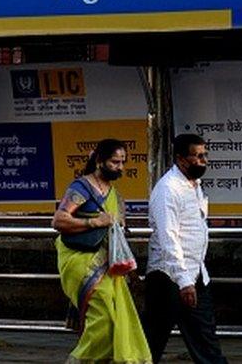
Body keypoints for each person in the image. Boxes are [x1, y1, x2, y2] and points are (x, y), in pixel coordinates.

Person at [52, 139, 152, 364]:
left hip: (110, 265)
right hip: (80, 262)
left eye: (123, 162)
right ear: (99, 161)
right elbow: (58, 220)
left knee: (115, 319)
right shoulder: (81, 187)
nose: (120, 167)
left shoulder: (116, 196)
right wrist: (95, 222)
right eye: (115, 162)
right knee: (105, 319)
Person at [145, 134, 227, 364]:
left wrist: (192, 279)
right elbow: (168, 237)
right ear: (181, 159)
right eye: (198, 156)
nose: (204, 160)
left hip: (195, 273)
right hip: (168, 277)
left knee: (206, 341)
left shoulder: (194, 185)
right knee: (152, 341)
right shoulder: (168, 189)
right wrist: (184, 281)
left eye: (205, 155)